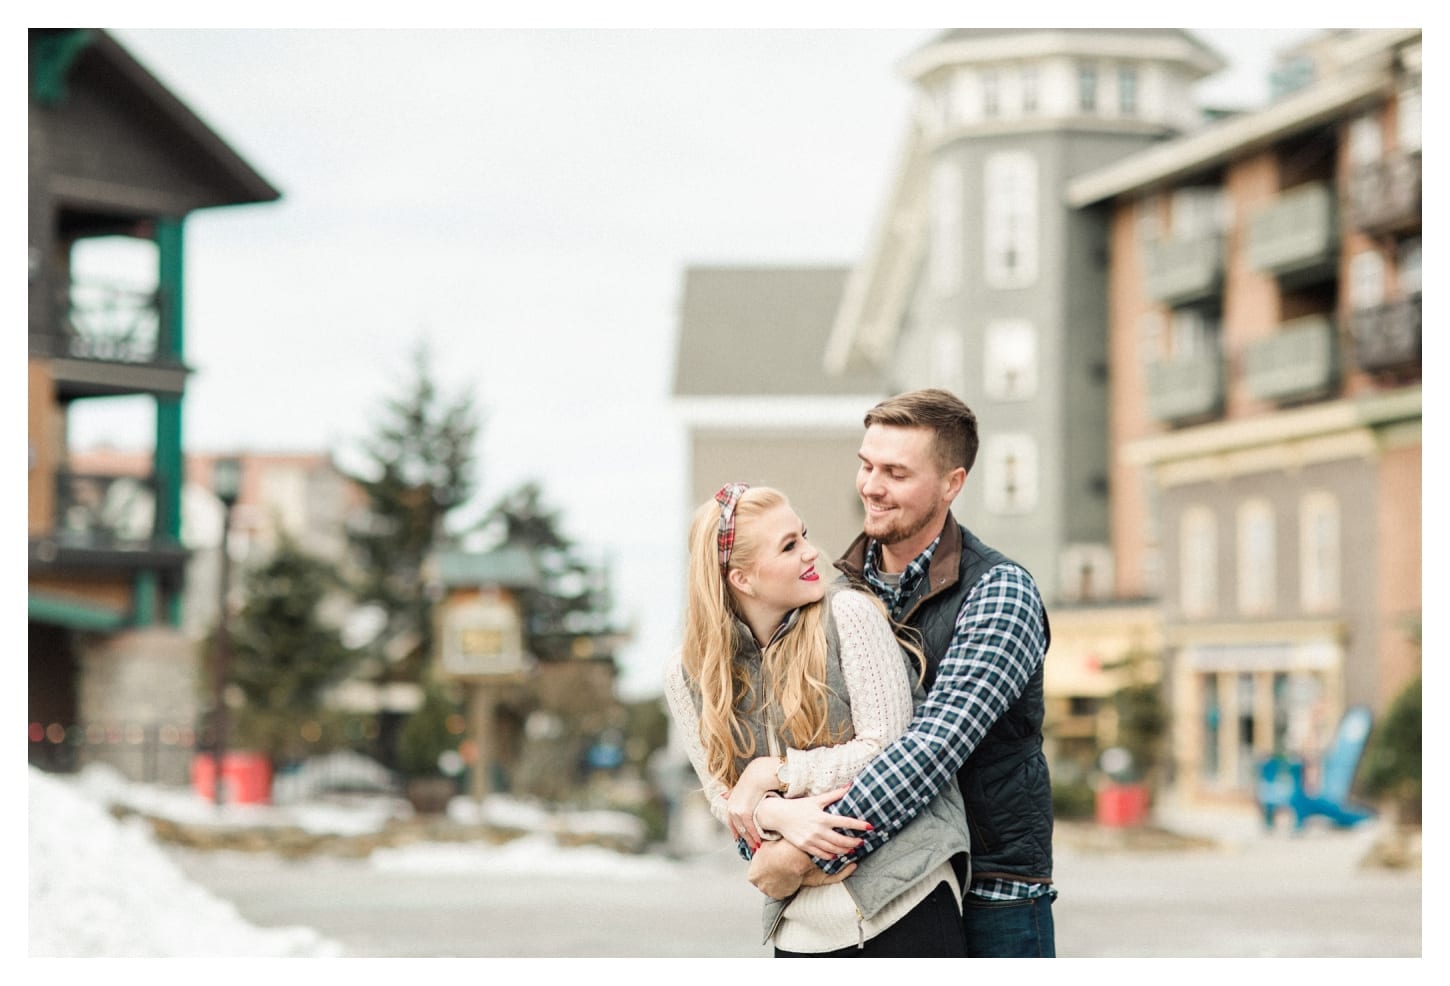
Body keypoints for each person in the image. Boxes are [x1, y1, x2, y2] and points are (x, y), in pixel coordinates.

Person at [748, 389, 1056, 957]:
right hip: (865, 893)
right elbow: (779, 736)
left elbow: (933, 747)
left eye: (895, 471)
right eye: (866, 464)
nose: (870, 485)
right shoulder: (827, 596)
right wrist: (765, 813)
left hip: (991, 891)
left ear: (951, 483)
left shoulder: (998, 592)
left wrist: (802, 852)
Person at [664, 482, 971, 957]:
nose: (813, 553)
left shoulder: (847, 615)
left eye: (802, 535)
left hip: (903, 897)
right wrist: (776, 813)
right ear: (742, 578)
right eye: (789, 546)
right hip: (801, 927)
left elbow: (892, 747)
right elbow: (722, 795)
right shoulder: (689, 673)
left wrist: (778, 774)